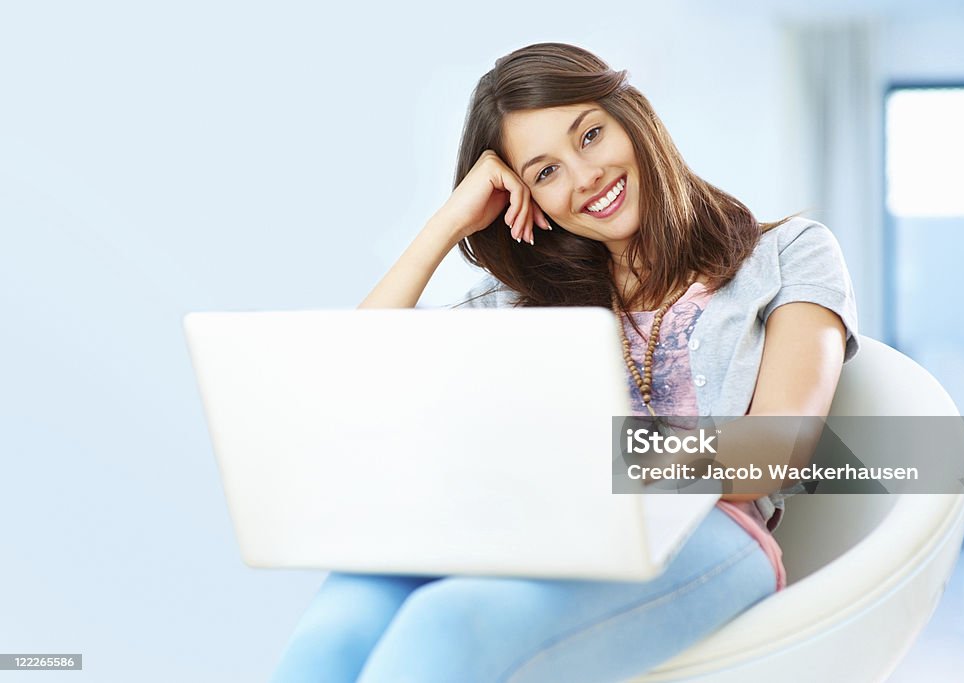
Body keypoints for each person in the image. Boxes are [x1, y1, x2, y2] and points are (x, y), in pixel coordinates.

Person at [270, 42, 859, 683]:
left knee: (447, 621)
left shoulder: (788, 254)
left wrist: (576, 463)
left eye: (591, 135)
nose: (584, 178)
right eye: (544, 172)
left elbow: (773, 450)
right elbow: (347, 376)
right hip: (536, 531)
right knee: (339, 620)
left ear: (632, 115)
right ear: (528, 198)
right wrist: (446, 224)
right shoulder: (517, 307)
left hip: (709, 534)